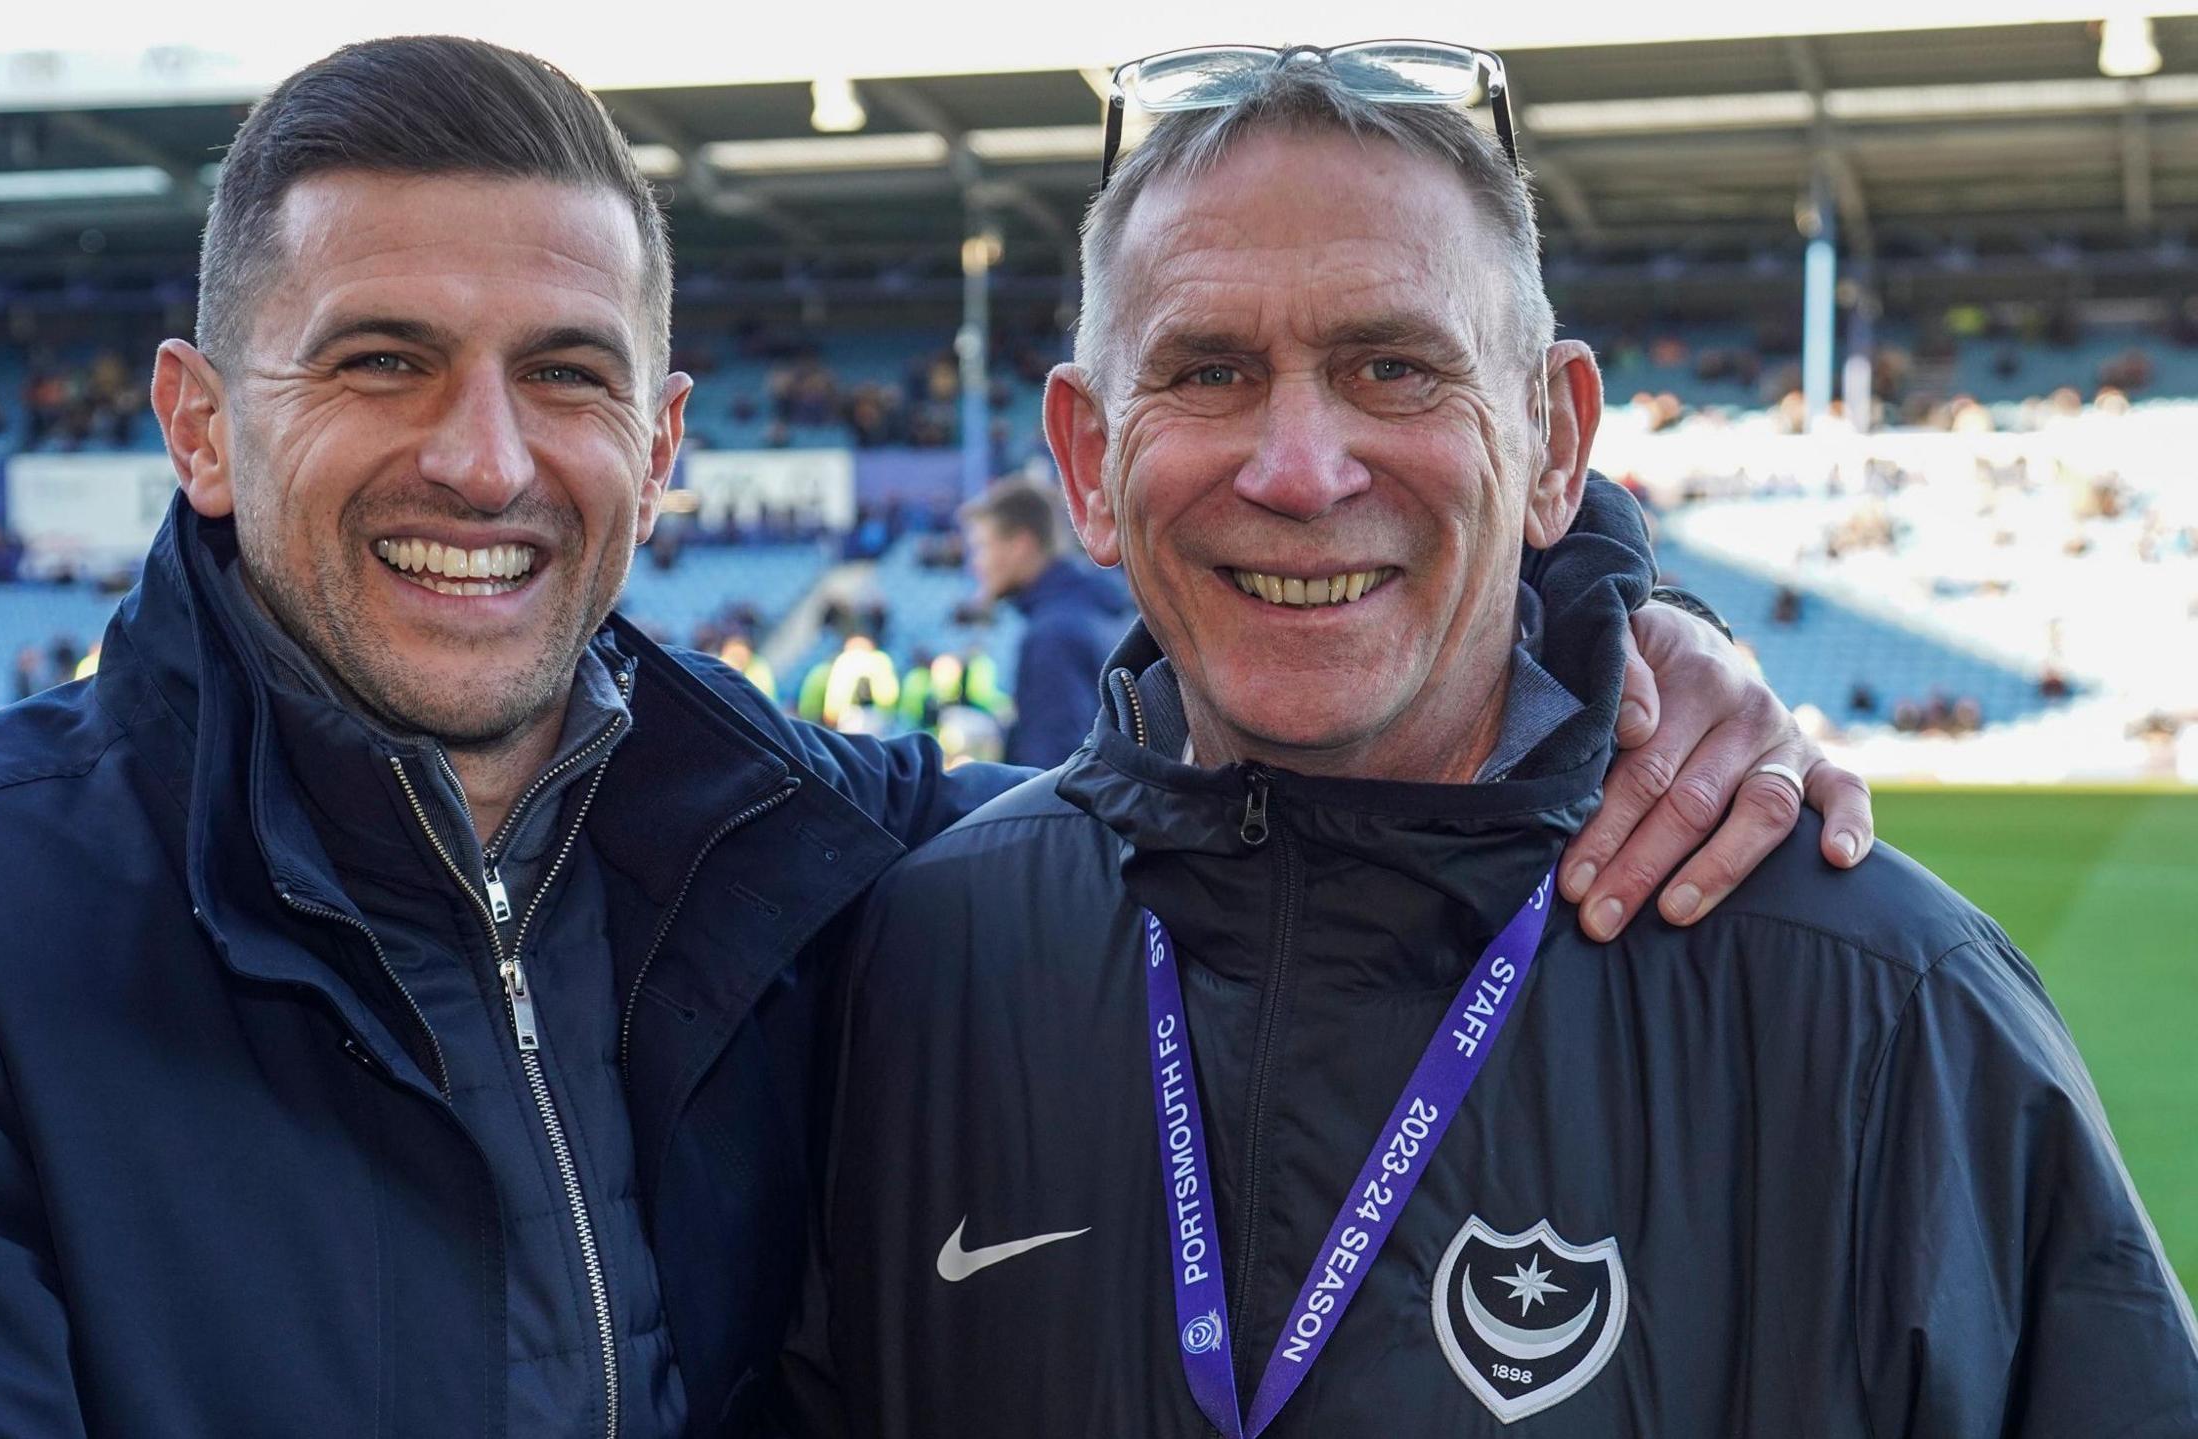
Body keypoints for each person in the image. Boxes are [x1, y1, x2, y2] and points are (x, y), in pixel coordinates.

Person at [0, 37, 1866, 1439]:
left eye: (571, 373)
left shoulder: (811, 848)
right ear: (201, 424)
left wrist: (1600, 596)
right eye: (383, 361)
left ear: (668, 437)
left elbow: (1251, 753)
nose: (488, 458)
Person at [785, 46, 2196, 1437]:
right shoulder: (927, 960)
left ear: (1555, 441)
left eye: (1392, 366)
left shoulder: (1884, 1002)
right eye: (1208, 371)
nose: (1297, 469)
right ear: (1089, 462)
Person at [961, 477, 1133, 767]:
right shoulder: (1098, 608)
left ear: (1020, 545)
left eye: (981, 547)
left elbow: (1051, 772)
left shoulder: (1053, 636)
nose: (975, 564)